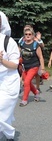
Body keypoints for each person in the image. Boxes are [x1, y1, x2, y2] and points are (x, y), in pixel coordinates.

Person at [0, 11, 20, 141]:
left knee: (1, 110)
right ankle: (6, 135)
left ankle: (10, 134)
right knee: (3, 114)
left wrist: (2, 61)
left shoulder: (8, 41)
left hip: (8, 82)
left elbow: (15, 65)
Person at [19, 27, 45, 106]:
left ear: (33, 35)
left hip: (34, 66)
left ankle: (24, 100)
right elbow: (17, 54)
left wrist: (43, 68)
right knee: (28, 82)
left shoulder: (35, 44)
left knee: (26, 82)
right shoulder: (22, 44)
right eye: (26, 34)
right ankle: (36, 92)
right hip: (24, 67)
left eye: (29, 34)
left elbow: (40, 57)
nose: (28, 36)